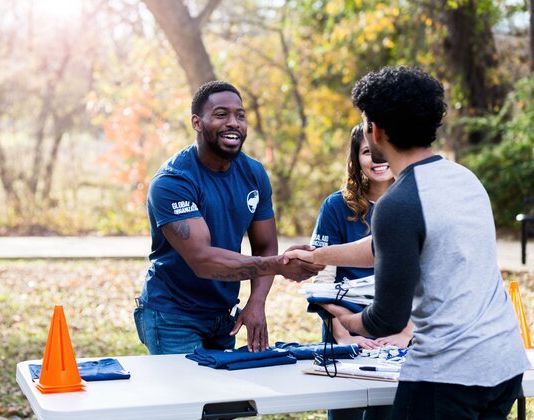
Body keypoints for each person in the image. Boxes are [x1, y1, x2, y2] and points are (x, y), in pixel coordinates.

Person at [285, 66, 529, 419]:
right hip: (503, 364)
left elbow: (386, 317)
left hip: (448, 377)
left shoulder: (397, 204)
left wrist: (346, 320)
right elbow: (383, 246)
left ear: (375, 130)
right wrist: (318, 256)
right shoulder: (464, 179)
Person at [134, 80, 323, 356]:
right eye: (221, 114)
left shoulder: (254, 173)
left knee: (225, 399)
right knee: (190, 397)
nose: (233, 122)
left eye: (240, 115)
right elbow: (203, 260)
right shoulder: (173, 181)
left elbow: (264, 245)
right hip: (173, 315)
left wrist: (256, 302)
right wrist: (279, 266)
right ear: (197, 123)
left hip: (224, 315)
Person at [311, 124, 410, 420]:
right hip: (346, 326)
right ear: (356, 159)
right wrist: (343, 337)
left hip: (395, 332)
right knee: (345, 413)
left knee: (386, 411)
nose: (378, 160)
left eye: (383, 152)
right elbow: (323, 279)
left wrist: (405, 333)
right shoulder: (335, 206)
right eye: (368, 152)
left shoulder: (412, 204)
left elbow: (426, 280)